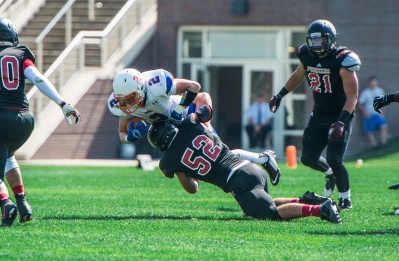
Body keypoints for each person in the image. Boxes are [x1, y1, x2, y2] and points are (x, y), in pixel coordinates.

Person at [0, 17, 81, 226]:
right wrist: (62, 103)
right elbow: (38, 79)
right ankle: (22, 203)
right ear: (11, 35)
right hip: (24, 121)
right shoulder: (20, 54)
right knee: (8, 156)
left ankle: (6, 204)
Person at [147, 105, 342, 223]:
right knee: (267, 203)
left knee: (271, 215)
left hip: (237, 182)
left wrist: (183, 171)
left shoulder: (168, 161)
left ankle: (319, 210)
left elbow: (192, 188)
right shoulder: (190, 123)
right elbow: (206, 111)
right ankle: (306, 200)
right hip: (249, 168)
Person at [107, 68, 281, 185]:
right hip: (168, 132)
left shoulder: (156, 82)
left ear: (140, 88)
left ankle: (263, 159)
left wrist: (180, 109)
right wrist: (130, 137)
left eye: (129, 99)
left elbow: (195, 87)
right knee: (207, 164)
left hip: (186, 116)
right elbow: (122, 132)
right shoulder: (120, 104)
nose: (125, 105)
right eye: (121, 100)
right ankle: (263, 159)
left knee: (218, 157)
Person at [269, 19, 361, 210]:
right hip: (319, 113)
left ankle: (345, 199)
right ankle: (330, 175)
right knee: (308, 158)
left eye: (321, 41)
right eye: (314, 41)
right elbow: (298, 75)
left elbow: (352, 96)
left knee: (335, 158)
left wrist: (341, 123)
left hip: (340, 114)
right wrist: (280, 95)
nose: (317, 46)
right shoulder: (306, 55)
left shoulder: (343, 59)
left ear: (331, 39)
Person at [358, 76, 388, 146]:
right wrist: (365, 112)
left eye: (374, 82)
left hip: (378, 114)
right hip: (369, 114)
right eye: (372, 82)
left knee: (384, 126)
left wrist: (383, 113)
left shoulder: (380, 91)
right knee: (369, 131)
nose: (373, 83)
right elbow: (360, 104)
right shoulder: (366, 92)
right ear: (369, 83)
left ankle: (384, 144)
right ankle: (374, 145)